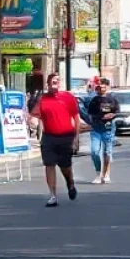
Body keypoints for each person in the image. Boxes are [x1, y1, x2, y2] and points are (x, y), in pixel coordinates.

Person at [30, 73, 80, 207]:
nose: (55, 82)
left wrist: (76, 138)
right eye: (53, 81)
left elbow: (75, 117)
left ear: (60, 83)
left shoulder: (68, 97)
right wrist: (33, 122)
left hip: (66, 136)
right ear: (48, 84)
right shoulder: (43, 99)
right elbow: (35, 115)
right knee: (49, 164)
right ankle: (52, 195)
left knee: (65, 166)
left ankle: (70, 182)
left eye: (57, 80)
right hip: (49, 137)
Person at [87, 80, 120, 185]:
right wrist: (96, 119)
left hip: (108, 128)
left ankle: (106, 174)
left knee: (107, 152)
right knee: (94, 151)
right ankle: (98, 174)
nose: (101, 89)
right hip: (96, 129)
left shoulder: (112, 99)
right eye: (99, 87)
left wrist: (112, 115)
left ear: (107, 87)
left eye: (103, 87)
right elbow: (90, 114)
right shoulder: (94, 100)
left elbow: (117, 111)